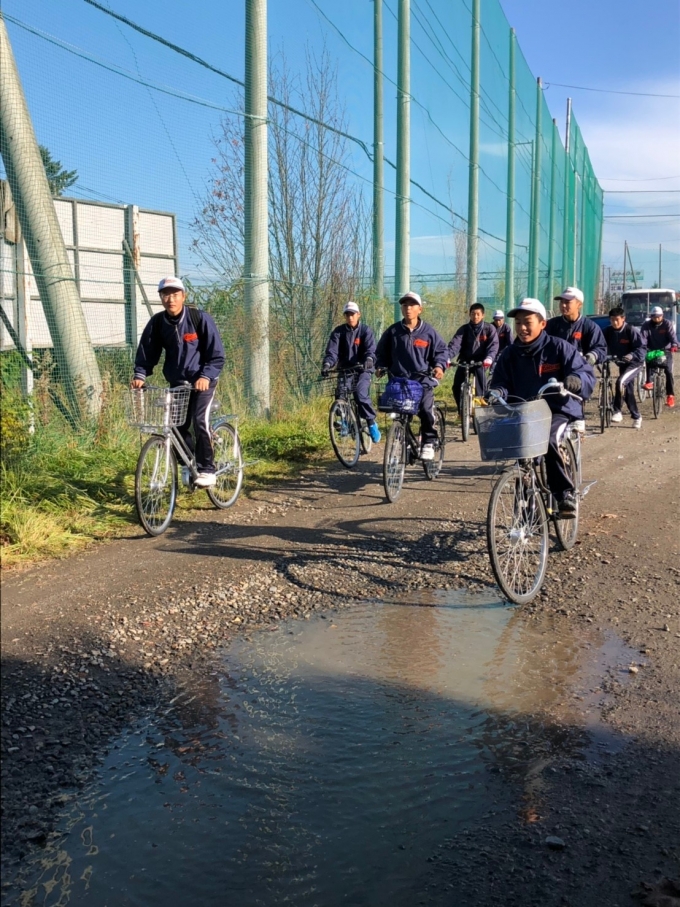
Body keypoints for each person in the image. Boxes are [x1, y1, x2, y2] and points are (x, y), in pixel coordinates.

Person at [489, 298, 595, 516]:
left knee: (549, 439)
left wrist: (576, 379)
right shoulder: (509, 354)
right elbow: (500, 382)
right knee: (522, 455)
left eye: (527, 322)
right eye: (518, 323)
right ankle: (526, 511)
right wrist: (497, 392)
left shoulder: (559, 347)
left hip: (557, 409)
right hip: (524, 411)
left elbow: (584, 373)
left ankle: (564, 494)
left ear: (542, 324)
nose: (522, 328)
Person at [132, 277, 226, 487]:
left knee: (199, 420)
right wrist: (140, 375)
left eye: (175, 295)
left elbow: (217, 355)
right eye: (166, 295)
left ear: (183, 296)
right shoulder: (158, 323)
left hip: (203, 382)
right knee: (176, 425)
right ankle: (187, 463)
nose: (170, 299)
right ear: (161, 298)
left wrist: (205, 376)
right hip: (177, 383)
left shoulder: (199, 318)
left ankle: (207, 469)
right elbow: (147, 352)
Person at [375, 291, 448, 461]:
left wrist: (439, 366)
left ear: (420, 309)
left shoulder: (429, 332)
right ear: (401, 308)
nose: (408, 308)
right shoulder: (393, 331)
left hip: (422, 381)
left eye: (412, 305)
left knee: (425, 409)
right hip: (399, 381)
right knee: (398, 412)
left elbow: (441, 351)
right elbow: (381, 352)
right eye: (405, 305)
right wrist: (380, 366)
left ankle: (429, 441)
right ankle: (404, 440)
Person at [546, 286, 607, 432]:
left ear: (579, 304)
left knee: (575, 384)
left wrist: (591, 357)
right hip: (554, 368)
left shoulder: (589, 326)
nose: (563, 305)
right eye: (561, 302)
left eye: (567, 302)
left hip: (579, 369)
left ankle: (578, 419)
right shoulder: (552, 325)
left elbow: (600, 348)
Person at [321, 301, 381, 443]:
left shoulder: (365, 331)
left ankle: (371, 422)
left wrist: (369, 359)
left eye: (352, 314)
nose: (350, 317)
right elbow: (332, 352)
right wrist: (327, 364)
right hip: (346, 369)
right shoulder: (338, 332)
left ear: (358, 315)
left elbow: (371, 350)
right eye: (347, 314)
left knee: (360, 394)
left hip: (363, 369)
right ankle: (345, 422)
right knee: (340, 395)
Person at [447, 303, 499, 415]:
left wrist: (489, 357)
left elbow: (493, 345)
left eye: (478, 314)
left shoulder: (489, 329)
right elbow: (455, 344)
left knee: (481, 379)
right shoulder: (464, 329)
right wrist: (447, 357)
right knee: (457, 386)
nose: (475, 316)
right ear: (469, 315)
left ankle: (482, 403)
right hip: (465, 360)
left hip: (481, 361)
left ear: (483, 315)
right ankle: (461, 411)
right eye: (473, 314)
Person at [603, 306, 646, 429]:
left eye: (617, 319)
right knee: (628, 391)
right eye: (612, 319)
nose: (614, 322)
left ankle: (617, 410)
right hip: (622, 364)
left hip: (635, 363)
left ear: (623, 319)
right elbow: (600, 344)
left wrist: (632, 355)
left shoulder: (631, 330)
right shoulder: (607, 331)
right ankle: (637, 416)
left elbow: (642, 348)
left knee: (620, 382)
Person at [640, 305, 677, 407]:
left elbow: (672, 337)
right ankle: (649, 382)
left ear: (662, 316)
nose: (656, 319)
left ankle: (670, 395)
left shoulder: (667, 324)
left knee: (669, 371)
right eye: (654, 317)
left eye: (659, 316)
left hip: (665, 351)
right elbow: (643, 338)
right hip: (652, 350)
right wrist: (642, 347)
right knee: (649, 361)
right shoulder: (646, 325)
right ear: (651, 316)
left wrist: (674, 345)